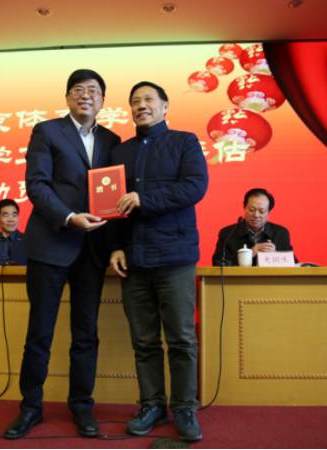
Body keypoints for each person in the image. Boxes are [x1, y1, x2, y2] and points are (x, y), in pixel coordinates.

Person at [5, 70, 121, 440]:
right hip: (51, 244)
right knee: (39, 332)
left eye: (93, 91)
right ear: (68, 97)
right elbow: (36, 185)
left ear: (103, 100)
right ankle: (30, 407)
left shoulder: (112, 140)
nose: (86, 95)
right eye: (78, 90)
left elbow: (112, 197)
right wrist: (70, 217)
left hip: (92, 250)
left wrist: (114, 242)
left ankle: (82, 406)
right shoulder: (47, 131)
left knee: (86, 335)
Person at [109, 82, 209, 442]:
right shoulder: (120, 151)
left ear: (165, 106)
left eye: (149, 99)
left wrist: (144, 198)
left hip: (175, 257)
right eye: (135, 101)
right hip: (134, 260)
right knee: (144, 342)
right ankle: (152, 405)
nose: (141, 105)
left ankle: (184, 407)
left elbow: (195, 186)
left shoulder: (184, 142)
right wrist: (115, 246)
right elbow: (110, 205)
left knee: (181, 340)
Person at [212, 188, 297, 266]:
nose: (256, 215)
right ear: (244, 208)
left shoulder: (281, 233)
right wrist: (248, 254)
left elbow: (295, 264)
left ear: (268, 213)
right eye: (252, 210)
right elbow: (216, 262)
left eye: (262, 211)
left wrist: (275, 256)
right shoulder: (228, 233)